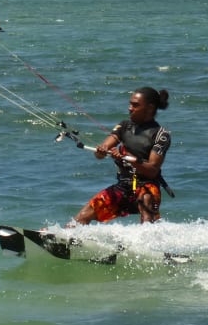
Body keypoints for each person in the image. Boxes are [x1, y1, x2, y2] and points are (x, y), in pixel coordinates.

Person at [69, 87, 171, 225]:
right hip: (123, 187)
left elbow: (152, 170)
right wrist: (102, 150)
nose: (130, 108)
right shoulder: (124, 126)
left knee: (146, 208)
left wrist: (126, 155)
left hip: (147, 186)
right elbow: (101, 152)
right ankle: (65, 239)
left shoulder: (161, 135)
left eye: (135, 105)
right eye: (130, 104)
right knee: (82, 216)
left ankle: (145, 241)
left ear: (150, 108)